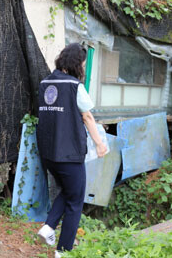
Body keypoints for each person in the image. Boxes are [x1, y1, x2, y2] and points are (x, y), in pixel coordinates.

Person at [36, 43, 107, 258]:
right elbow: (87, 116)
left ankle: (48, 227)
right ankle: (63, 251)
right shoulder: (74, 86)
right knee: (76, 201)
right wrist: (99, 143)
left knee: (69, 191)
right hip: (68, 154)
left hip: (48, 153)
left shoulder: (45, 82)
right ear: (77, 64)